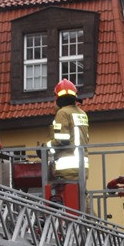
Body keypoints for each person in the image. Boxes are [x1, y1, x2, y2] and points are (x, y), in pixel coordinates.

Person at [47, 78, 90, 210]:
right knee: (81, 199)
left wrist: (46, 147)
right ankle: (92, 226)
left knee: (56, 195)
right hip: (82, 166)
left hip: (67, 168)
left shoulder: (62, 113)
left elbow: (62, 139)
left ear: (58, 98)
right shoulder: (82, 113)